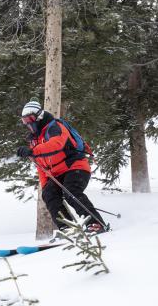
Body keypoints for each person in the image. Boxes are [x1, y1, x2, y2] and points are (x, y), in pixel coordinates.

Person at [17, 97, 107, 234]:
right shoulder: (34, 140)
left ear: (39, 117)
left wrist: (33, 151)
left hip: (75, 166)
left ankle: (96, 223)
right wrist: (46, 184)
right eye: (24, 121)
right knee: (48, 194)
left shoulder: (55, 127)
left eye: (29, 120)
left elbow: (57, 144)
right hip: (57, 173)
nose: (28, 124)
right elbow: (40, 165)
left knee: (71, 191)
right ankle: (68, 228)